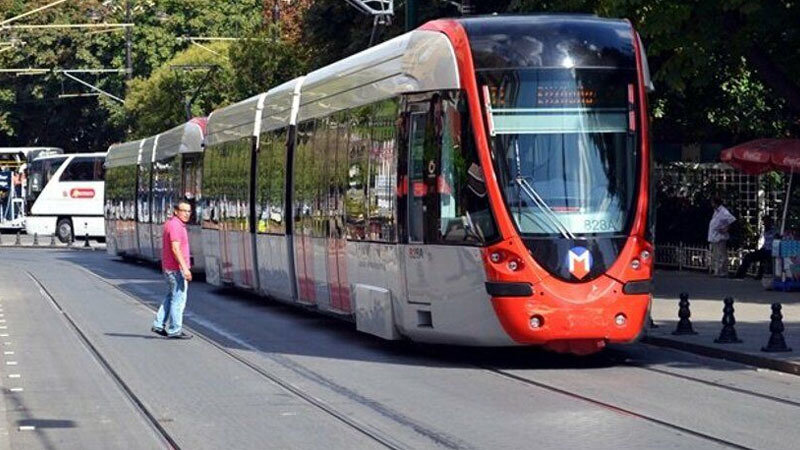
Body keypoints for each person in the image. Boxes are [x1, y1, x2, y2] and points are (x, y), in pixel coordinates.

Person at [151, 200, 193, 339]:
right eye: (184, 211)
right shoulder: (175, 226)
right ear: (176, 211)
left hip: (170, 268)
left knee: (171, 296)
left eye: (189, 211)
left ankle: (159, 324)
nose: (187, 214)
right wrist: (185, 268)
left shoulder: (172, 223)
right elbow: (175, 248)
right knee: (178, 299)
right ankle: (175, 329)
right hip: (176, 269)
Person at [708, 196, 736, 277]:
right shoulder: (716, 211)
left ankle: (723, 271)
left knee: (722, 255)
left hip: (720, 236)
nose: (711, 204)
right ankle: (717, 271)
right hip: (715, 236)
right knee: (716, 254)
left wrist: (726, 228)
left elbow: (731, 220)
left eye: (712, 202)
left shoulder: (723, 211)